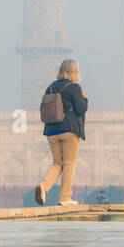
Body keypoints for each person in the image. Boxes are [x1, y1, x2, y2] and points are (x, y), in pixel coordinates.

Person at [34, 59, 88, 206]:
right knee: (69, 163)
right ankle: (65, 198)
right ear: (74, 71)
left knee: (58, 163)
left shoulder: (50, 87)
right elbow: (81, 109)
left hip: (52, 130)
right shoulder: (74, 88)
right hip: (69, 130)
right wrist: (84, 98)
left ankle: (44, 187)